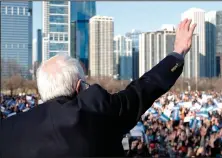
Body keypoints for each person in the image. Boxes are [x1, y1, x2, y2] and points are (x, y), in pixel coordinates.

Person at [0, 19, 196, 158]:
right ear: (79, 87)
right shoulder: (96, 111)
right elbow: (143, 89)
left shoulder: (8, 130)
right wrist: (178, 53)